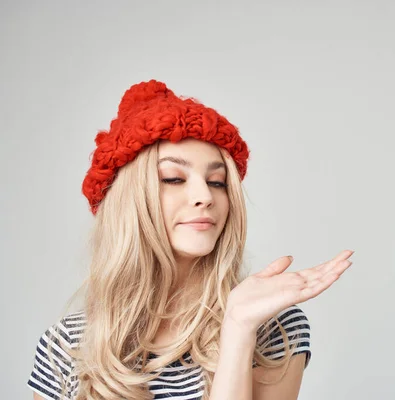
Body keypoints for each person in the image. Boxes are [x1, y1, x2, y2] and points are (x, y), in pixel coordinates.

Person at [26, 79, 354, 400]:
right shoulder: (68, 344)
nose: (204, 196)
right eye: (173, 178)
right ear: (128, 201)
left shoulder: (273, 327)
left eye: (217, 182)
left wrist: (238, 328)